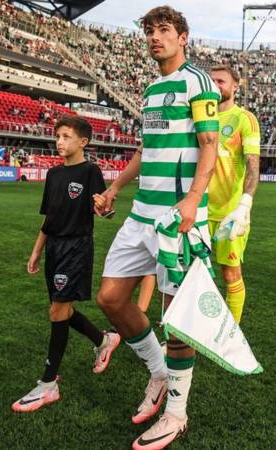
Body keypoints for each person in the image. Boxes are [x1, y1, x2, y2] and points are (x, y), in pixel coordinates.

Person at [91, 7, 220, 449]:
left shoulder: (197, 81)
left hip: (177, 220)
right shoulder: (150, 89)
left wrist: (192, 199)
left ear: (183, 37)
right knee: (110, 297)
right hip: (141, 215)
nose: (154, 37)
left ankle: (176, 415)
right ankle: (159, 373)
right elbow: (147, 150)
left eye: (164, 30)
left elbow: (210, 145)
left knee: (176, 320)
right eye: (149, 31)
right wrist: (114, 189)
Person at [12, 116, 120, 413]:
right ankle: (103, 339)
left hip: (76, 247)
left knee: (57, 311)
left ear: (83, 142)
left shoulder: (90, 172)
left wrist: (105, 208)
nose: (59, 142)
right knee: (62, 310)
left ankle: (48, 385)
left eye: (66, 136)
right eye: (57, 136)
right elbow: (49, 219)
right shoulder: (54, 175)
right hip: (54, 248)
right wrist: (36, 251)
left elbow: (103, 210)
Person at [207, 64, 261, 324]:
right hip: (198, 211)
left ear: (235, 86)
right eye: (212, 81)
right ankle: (191, 332)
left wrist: (244, 206)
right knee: (192, 276)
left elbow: (253, 166)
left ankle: (231, 333)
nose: (216, 85)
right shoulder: (201, 117)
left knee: (230, 274)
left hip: (229, 213)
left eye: (221, 81)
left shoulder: (244, 118)